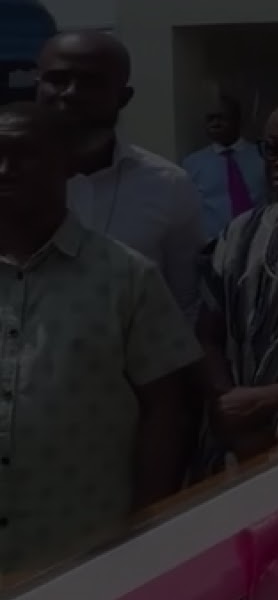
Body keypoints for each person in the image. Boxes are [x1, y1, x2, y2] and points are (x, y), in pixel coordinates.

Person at [0, 102, 197, 572]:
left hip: (81, 554)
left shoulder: (126, 277)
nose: (4, 169)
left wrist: (146, 529)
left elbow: (168, 407)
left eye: (24, 154)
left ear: (68, 164)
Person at [191, 98, 278, 479]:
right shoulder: (239, 234)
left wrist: (265, 401)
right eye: (273, 149)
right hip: (231, 438)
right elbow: (207, 331)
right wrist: (228, 403)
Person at [35, 30, 205, 321]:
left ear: (123, 97)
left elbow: (186, 305)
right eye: (58, 79)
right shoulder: (10, 179)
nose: (71, 92)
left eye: (90, 81)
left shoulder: (168, 186)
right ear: (38, 87)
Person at [181, 95, 269, 240]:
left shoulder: (262, 156)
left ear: (238, 120)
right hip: (214, 246)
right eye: (210, 119)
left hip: (259, 241)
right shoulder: (192, 164)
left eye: (222, 118)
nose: (215, 123)